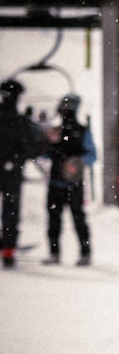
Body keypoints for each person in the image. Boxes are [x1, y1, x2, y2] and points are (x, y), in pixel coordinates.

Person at [42, 93, 97, 266]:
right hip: (57, 182)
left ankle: (84, 253)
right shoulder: (58, 131)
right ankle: (55, 252)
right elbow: (46, 153)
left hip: (72, 183)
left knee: (77, 219)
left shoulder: (80, 131)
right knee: (55, 220)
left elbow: (92, 155)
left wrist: (76, 163)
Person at [0, 79, 45, 268]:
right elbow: (32, 147)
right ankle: (8, 250)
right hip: (12, 175)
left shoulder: (18, 122)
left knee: (10, 213)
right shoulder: (20, 123)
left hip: (10, 171)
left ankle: (8, 248)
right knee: (10, 214)